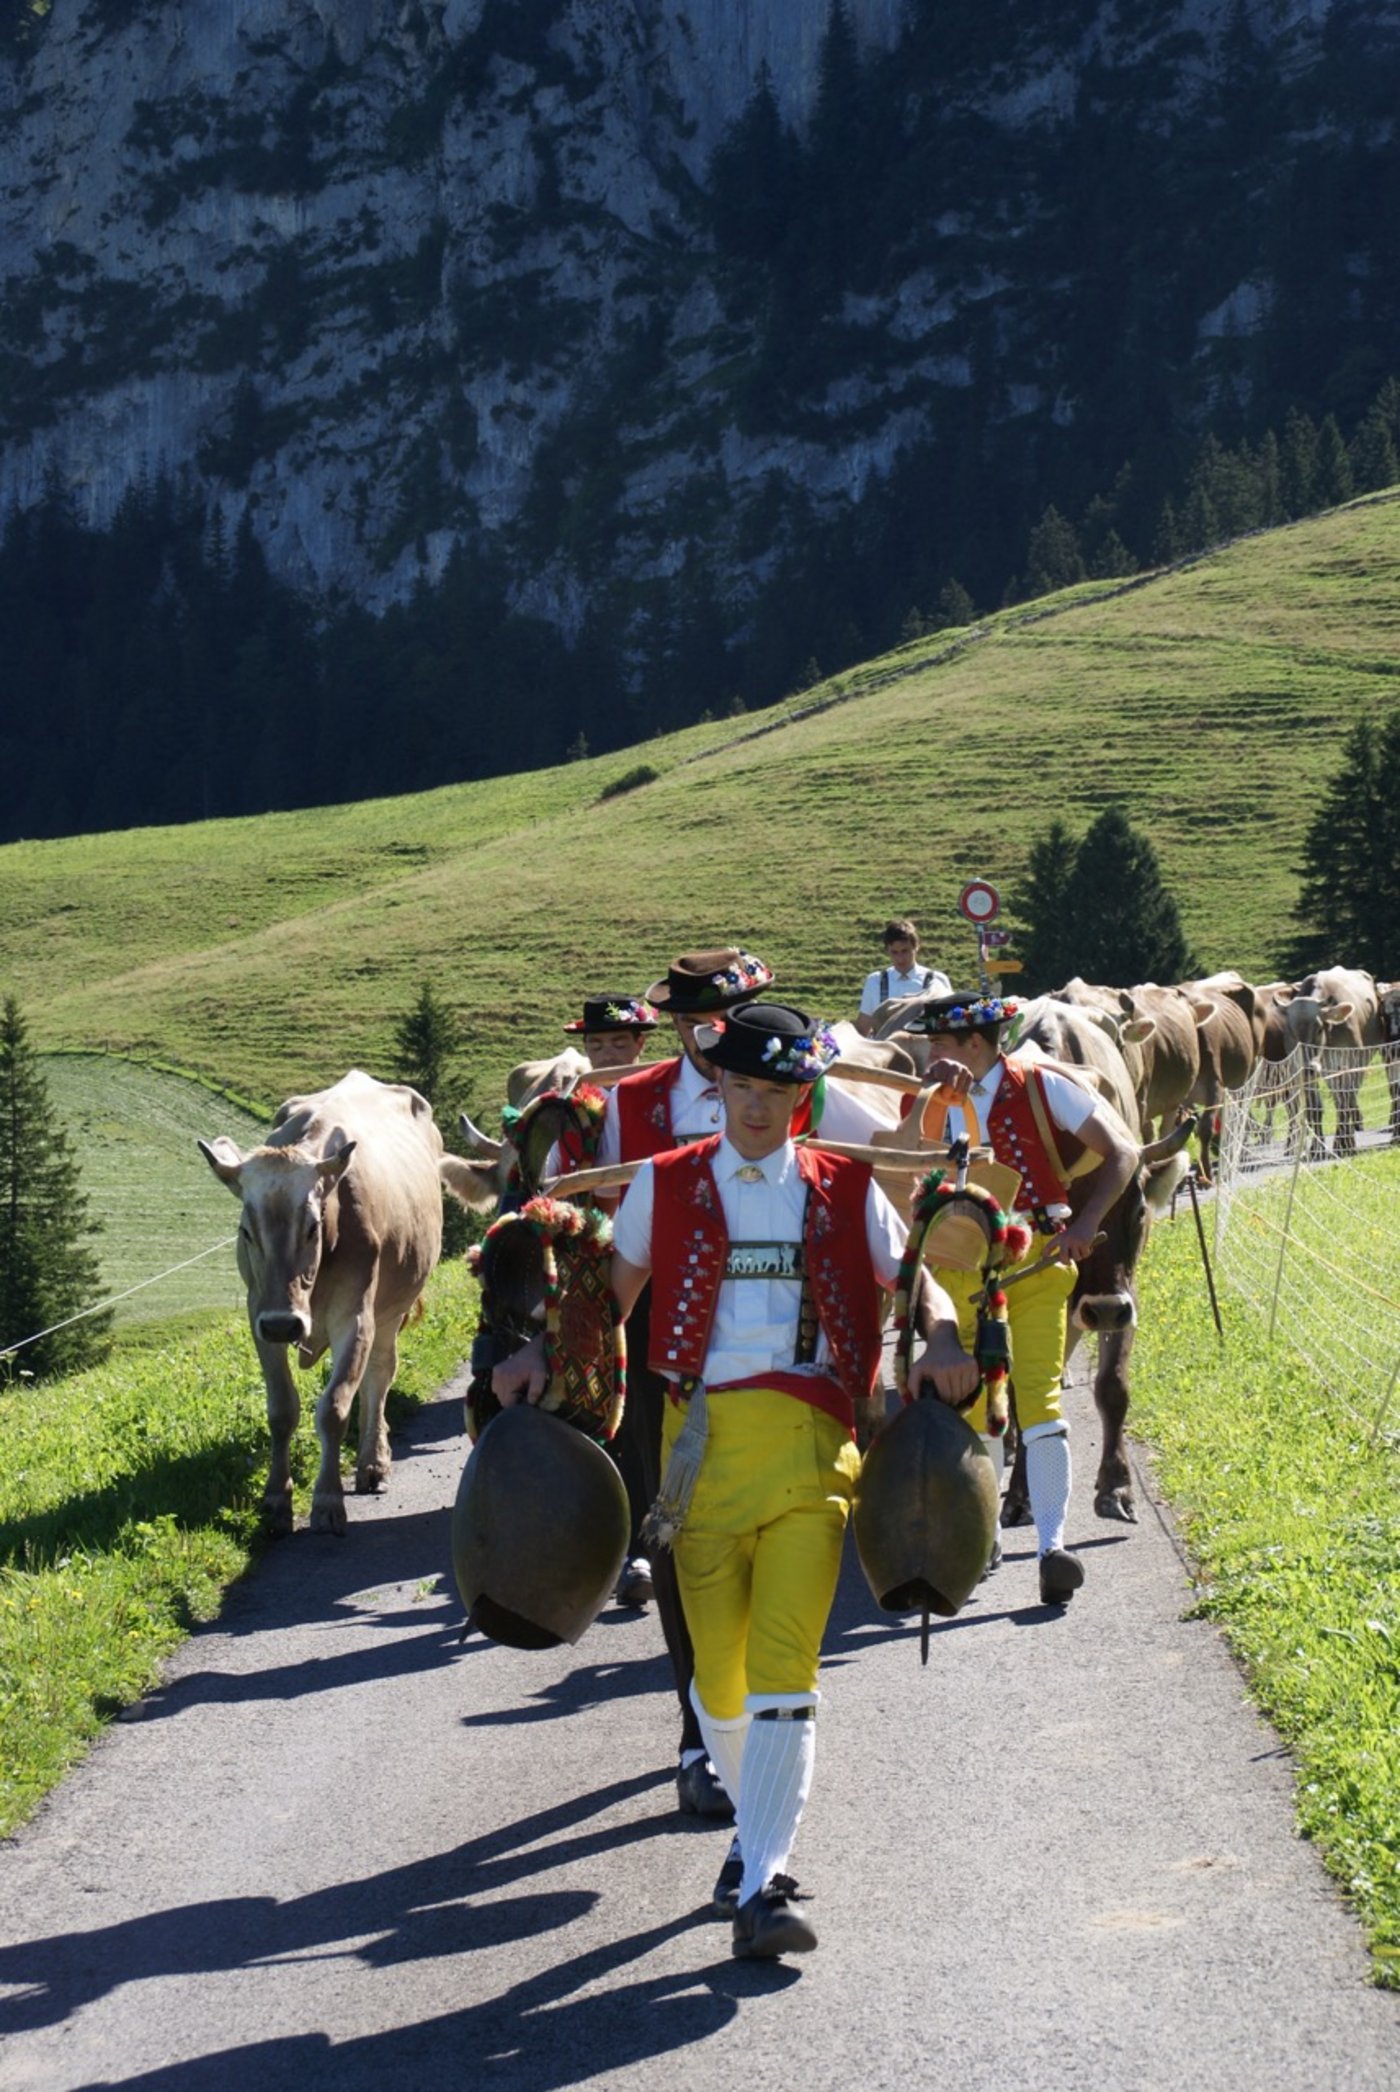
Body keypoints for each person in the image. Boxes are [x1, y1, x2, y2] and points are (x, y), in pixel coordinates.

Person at [498, 1002, 976, 1958]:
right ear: (717, 1089)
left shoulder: (845, 1185)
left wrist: (943, 1329)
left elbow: (910, 1269)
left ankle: (764, 1882)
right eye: (743, 1088)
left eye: (778, 1090)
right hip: (696, 1460)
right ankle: (754, 1843)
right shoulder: (664, 1186)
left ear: (805, 1095)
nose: (758, 1108)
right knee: (716, 1684)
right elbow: (610, 1297)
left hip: (811, 1451)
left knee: (784, 1667)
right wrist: (538, 1357)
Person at [901, 990, 1139, 1604]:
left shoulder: (1042, 1085)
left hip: (1035, 1259)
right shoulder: (929, 1099)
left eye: (942, 1042)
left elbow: (1124, 1151)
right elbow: (900, 1166)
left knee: (1040, 1397)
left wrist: (1084, 1227)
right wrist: (931, 1106)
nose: (931, 1052)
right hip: (956, 1263)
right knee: (973, 1405)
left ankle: (1052, 1546)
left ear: (976, 1043)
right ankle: (985, 1538)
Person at [855, 918, 951, 1036]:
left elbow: (949, 1025)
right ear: (887, 951)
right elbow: (862, 1029)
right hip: (886, 1051)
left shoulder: (938, 981)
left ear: (916, 947)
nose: (900, 958)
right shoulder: (875, 982)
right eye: (894, 952)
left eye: (905, 951)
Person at [562, 992, 659, 1072]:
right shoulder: (571, 1095)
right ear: (586, 1047)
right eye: (596, 1047)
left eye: (619, 1045)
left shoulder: (665, 1093)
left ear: (640, 1043)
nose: (607, 1056)